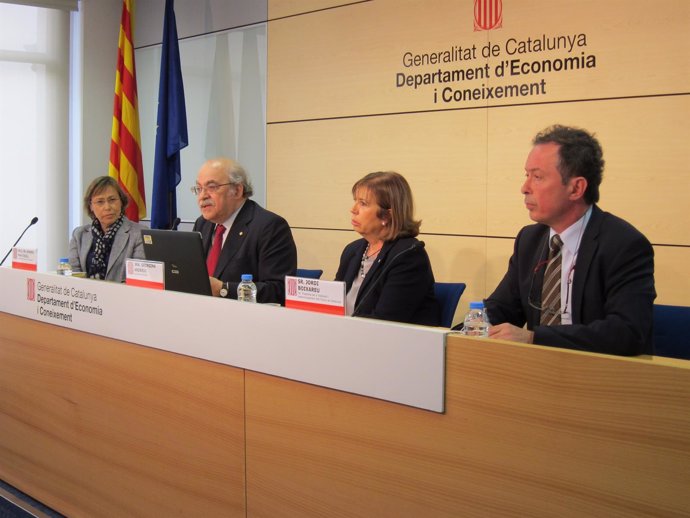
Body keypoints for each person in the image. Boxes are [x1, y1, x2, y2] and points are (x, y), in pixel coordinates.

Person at [484, 125, 656, 356]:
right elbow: (500, 309)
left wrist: (535, 338)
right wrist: (469, 328)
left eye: (537, 177)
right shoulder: (530, 239)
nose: (524, 188)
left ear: (576, 188)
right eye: (527, 176)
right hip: (538, 373)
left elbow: (626, 332)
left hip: (599, 377)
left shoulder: (624, 245)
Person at [335, 171, 440, 326]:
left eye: (363, 203)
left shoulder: (409, 256)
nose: (353, 209)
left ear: (387, 215)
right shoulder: (353, 250)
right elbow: (333, 303)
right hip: (349, 338)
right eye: (355, 201)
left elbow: (386, 321)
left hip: (394, 344)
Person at [192, 157, 297, 304]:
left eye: (212, 187)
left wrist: (224, 289)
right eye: (199, 188)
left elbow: (279, 290)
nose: (202, 196)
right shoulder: (202, 224)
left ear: (237, 190)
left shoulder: (270, 227)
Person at [68, 176, 145, 282]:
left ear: (121, 202)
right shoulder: (79, 235)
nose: (107, 207)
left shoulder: (139, 234)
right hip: (86, 296)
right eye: (100, 202)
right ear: (91, 206)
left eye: (112, 200)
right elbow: (74, 276)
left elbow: (138, 279)